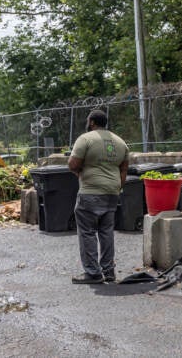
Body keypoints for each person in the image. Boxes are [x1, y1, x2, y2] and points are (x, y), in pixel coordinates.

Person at [68, 110, 129, 284]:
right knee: (106, 232)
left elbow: (73, 163)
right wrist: (116, 187)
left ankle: (93, 273)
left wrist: (79, 172)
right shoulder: (120, 142)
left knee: (87, 232)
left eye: (88, 121)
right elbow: (124, 170)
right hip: (112, 193)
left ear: (92, 122)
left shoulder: (85, 139)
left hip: (90, 192)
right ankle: (109, 271)